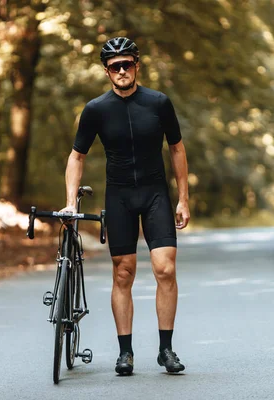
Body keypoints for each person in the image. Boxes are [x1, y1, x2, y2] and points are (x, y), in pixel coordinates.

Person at [60, 37, 190, 375]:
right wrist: (70, 203)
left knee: (166, 269)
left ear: (137, 66)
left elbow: (177, 148)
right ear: (107, 71)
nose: (121, 70)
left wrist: (183, 199)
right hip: (119, 196)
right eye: (115, 66)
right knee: (123, 273)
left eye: (127, 64)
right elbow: (77, 156)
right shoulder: (96, 110)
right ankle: (125, 353)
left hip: (155, 194)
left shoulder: (159, 103)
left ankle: (166, 349)